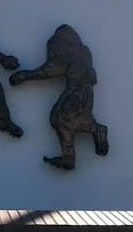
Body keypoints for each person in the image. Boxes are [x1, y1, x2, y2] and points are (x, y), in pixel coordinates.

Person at [10, 24, 109, 169]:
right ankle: (96, 130)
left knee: (59, 119)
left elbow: (48, 71)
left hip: (74, 93)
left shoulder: (67, 53)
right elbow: (93, 77)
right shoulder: (84, 53)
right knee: (77, 119)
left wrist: (24, 76)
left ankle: (70, 156)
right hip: (87, 93)